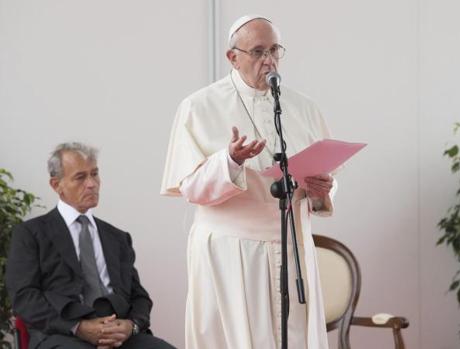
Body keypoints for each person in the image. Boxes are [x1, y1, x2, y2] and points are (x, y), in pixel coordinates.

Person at [160, 14, 335, 349]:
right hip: (231, 250)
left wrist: (320, 190)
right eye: (257, 51)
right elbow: (190, 188)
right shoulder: (198, 106)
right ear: (233, 57)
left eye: (274, 50)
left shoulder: (303, 108)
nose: (268, 60)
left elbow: (322, 175)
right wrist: (231, 161)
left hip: (293, 245)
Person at [6, 142, 175, 349]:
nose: (91, 184)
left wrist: (131, 326)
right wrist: (79, 327)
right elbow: (24, 298)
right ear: (56, 185)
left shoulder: (117, 238)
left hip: (118, 333)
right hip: (62, 334)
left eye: (94, 174)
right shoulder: (32, 233)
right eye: (80, 177)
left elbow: (139, 296)